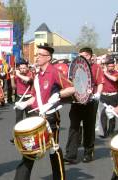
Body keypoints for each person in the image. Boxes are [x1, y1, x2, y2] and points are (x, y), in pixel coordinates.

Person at [14, 44, 75, 180]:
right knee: (29, 149)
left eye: (40, 55)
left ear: (48, 58)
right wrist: (24, 103)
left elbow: (71, 88)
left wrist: (58, 94)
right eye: (37, 54)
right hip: (36, 116)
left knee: (54, 149)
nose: (37, 57)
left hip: (51, 116)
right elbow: (35, 97)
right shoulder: (37, 75)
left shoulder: (54, 72)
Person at [64, 47, 104, 164]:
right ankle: (71, 154)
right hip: (76, 101)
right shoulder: (75, 67)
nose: (81, 57)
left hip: (90, 101)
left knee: (89, 127)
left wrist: (98, 94)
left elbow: (100, 83)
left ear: (90, 56)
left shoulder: (96, 68)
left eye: (85, 55)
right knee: (74, 127)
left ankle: (88, 153)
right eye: (80, 55)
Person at [99, 58, 118, 138]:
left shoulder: (117, 73)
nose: (111, 67)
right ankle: (104, 132)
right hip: (104, 96)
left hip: (113, 96)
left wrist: (105, 73)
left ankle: (111, 131)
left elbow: (114, 79)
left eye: (112, 66)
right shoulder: (101, 73)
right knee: (103, 114)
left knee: (112, 114)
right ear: (106, 66)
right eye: (109, 66)